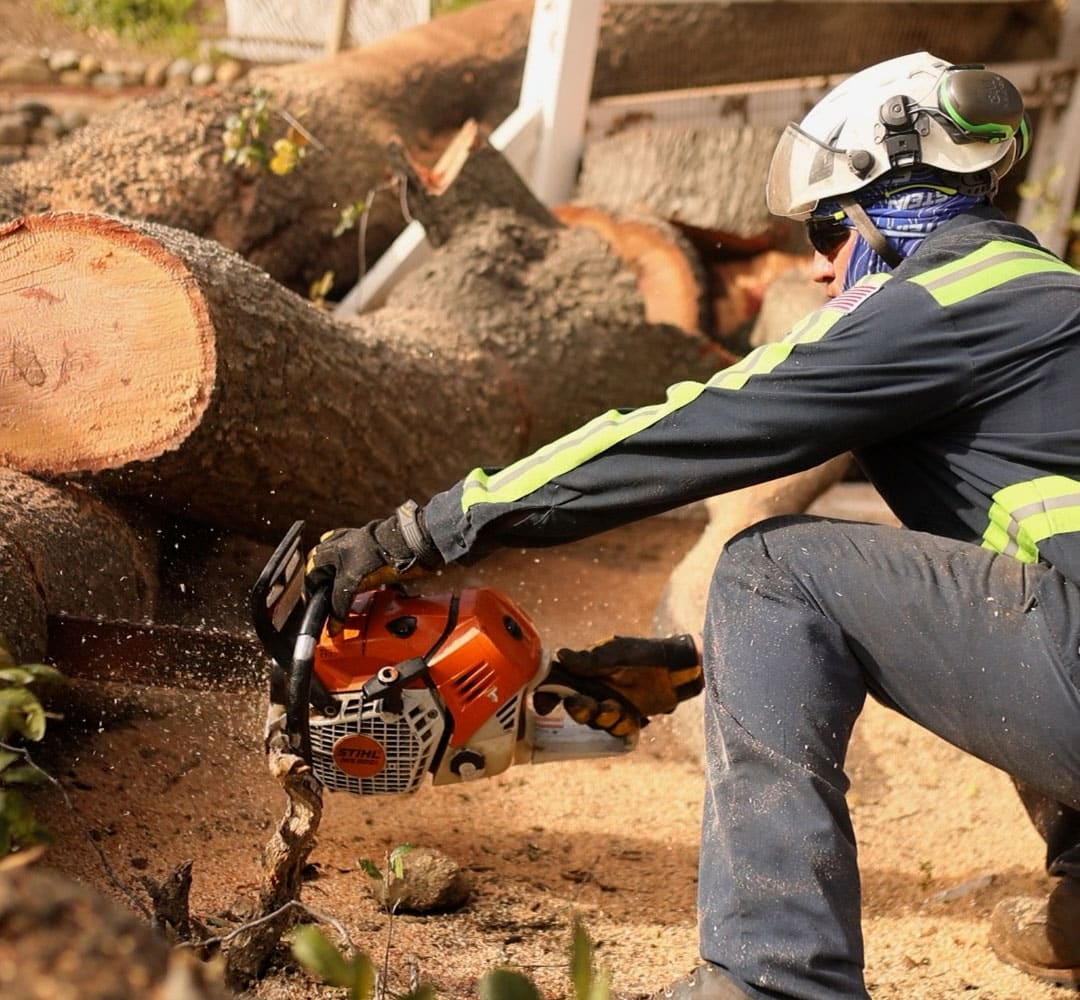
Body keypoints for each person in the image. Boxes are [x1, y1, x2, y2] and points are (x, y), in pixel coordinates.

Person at [304, 52, 1080, 999]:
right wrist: (694, 663)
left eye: (833, 227)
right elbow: (977, 594)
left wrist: (423, 529)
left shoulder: (943, 302)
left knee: (767, 569)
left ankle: (772, 981)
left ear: (899, 206)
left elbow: (693, 426)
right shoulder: (1048, 300)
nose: (817, 260)